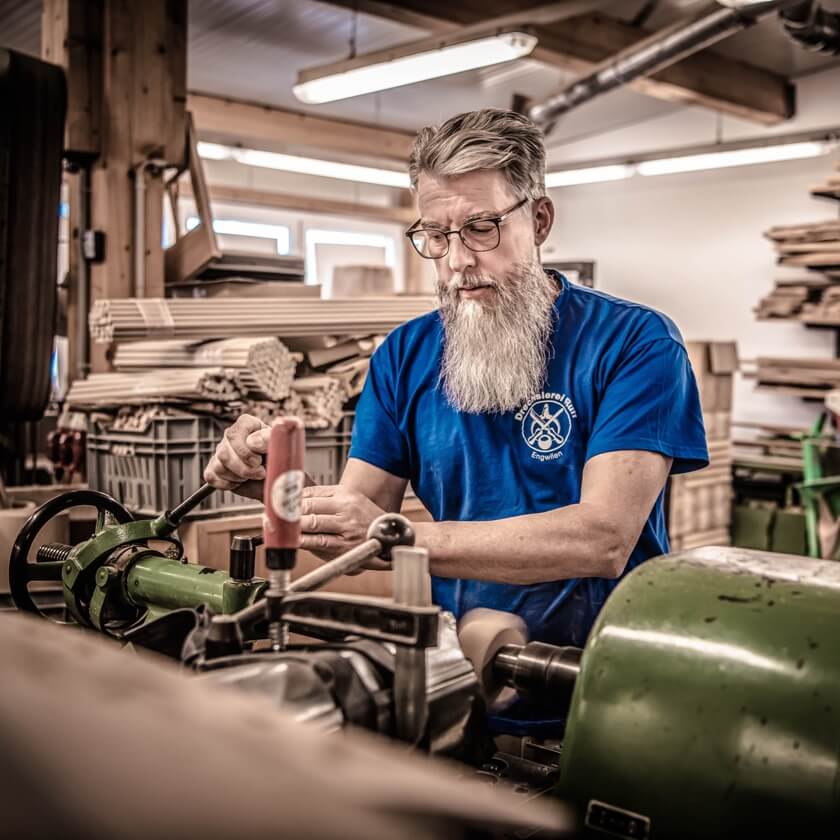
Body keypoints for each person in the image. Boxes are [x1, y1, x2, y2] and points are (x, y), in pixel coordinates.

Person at [204, 108, 709, 736]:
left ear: (540, 220)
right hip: (466, 677)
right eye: (436, 236)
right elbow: (357, 524)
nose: (457, 261)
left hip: (609, 689)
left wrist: (403, 537)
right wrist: (272, 487)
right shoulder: (404, 356)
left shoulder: (635, 343)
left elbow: (603, 538)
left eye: (481, 228)